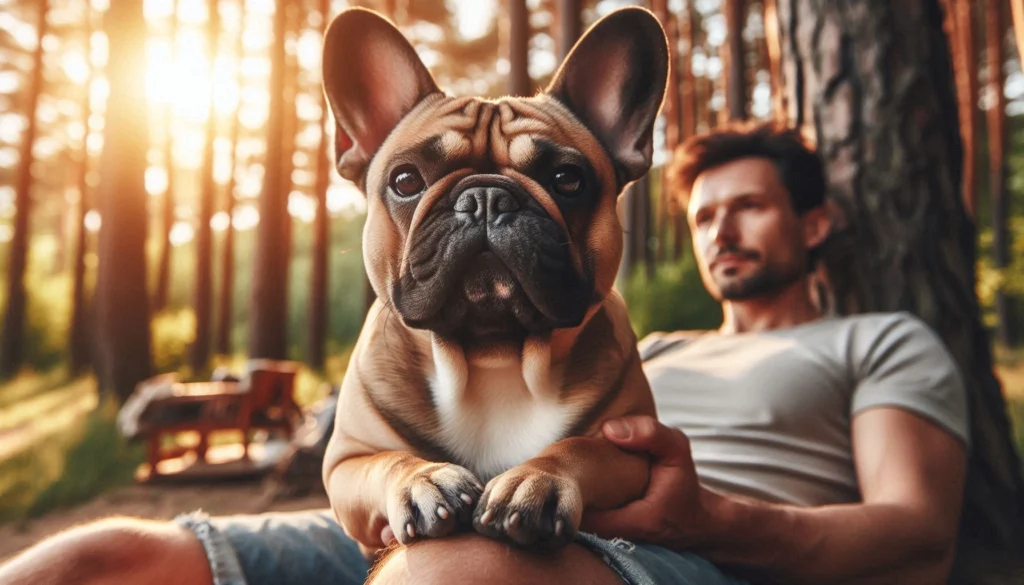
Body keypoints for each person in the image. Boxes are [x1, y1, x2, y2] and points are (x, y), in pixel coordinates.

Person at [0, 122, 968, 585]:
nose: (720, 231)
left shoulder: (876, 339)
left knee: (450, 574)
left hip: (681, 560)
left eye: (747, 206)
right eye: (703, 213)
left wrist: (708, 521)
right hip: (460, 520)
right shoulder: (633, 342)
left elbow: (918, 535)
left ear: (815, 219)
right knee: (100, 560)